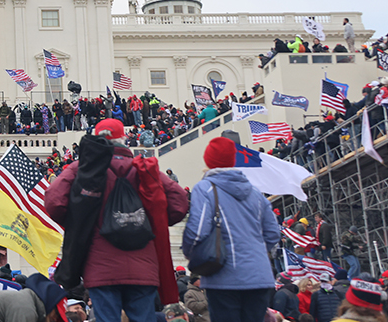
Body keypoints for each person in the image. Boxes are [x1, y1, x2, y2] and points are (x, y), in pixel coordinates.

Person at [46, 118, 188, 322]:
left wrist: (79, 220)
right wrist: (151, 218)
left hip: (100, 265)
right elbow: (179, 202)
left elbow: (54, 202)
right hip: (143, 264)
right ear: (124, 139)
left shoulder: (81, 169)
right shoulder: (145, 168)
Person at [181, 137, 279, 322]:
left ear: (208, 160)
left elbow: (197, 232)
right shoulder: (255, 192)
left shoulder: (205, 188)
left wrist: (190, 254)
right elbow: (273, 232)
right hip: (259, 276)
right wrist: (255, 252)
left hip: (223, 277)